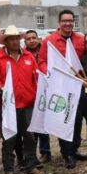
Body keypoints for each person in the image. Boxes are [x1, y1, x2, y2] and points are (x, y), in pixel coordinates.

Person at [0, 25, 42, 174]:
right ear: (5, 41)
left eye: (16, 38)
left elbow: (36, 79)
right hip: (9, 107)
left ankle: (31, 165)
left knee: (29, 137)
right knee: (9, 138)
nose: (14, 41)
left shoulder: (28, 57)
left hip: (28, 104)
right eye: (11, 39)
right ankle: (8, 169)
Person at [40, 10, 86, 169]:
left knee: (77, 118)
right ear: (59, 23)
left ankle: (75, 149)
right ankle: (67, 153)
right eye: (65, 21)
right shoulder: (49, 41)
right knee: (64, 118)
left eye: (70, 21)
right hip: (60, 87)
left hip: (77, 85)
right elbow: (42, 61)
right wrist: (51, 73)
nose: (68, 23)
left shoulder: (80, 40)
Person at [24, 29, 51, 164]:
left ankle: (45, 152)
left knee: (43, 123)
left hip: (44, 92)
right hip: (30, 93)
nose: (31, 40)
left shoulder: (45, 51)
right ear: (25, 41)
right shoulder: (23, 54)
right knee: (31, 125)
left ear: (38, 38)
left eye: (33, 38)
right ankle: (31, 155)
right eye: (28, 39)